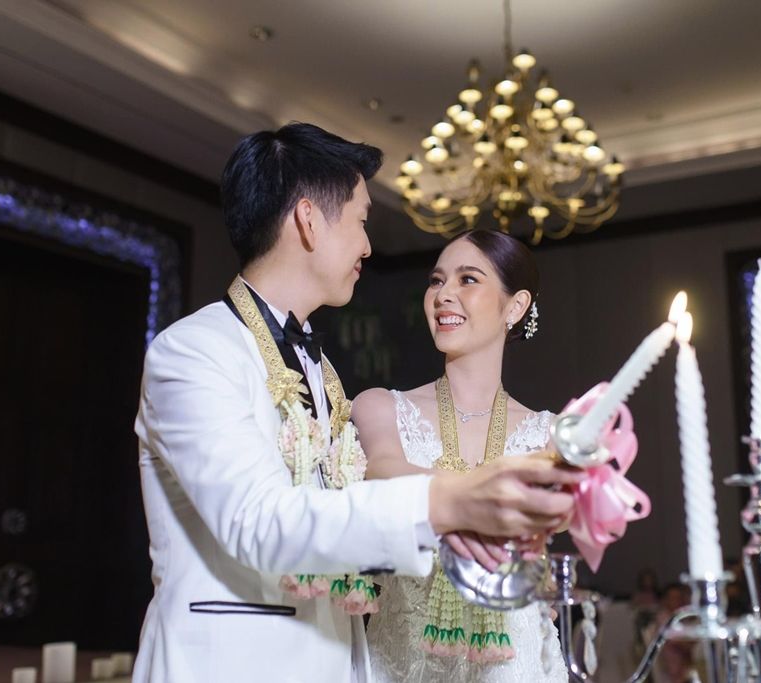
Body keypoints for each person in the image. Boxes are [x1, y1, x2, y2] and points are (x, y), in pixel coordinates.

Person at [133, 123, 581, 683]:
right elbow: (259, 522)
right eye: (361, 221)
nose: (368, 245)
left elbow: (340, 532)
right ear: (308, 220)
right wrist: (446, 501)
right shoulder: (195, 352)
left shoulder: (322, 375)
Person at [352, 229, 567, 681]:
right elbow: (383, 470)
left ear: (515, 306)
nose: (443, 294)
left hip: (514, 663)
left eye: (468, 279)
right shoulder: (380, 408)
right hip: (402, 665)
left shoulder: (551, 435)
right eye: (436, 280)